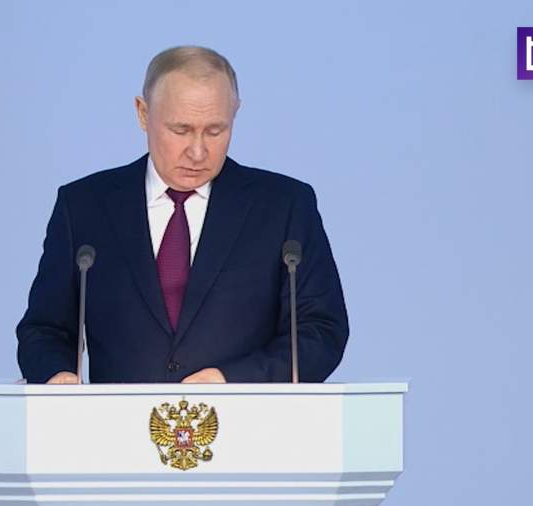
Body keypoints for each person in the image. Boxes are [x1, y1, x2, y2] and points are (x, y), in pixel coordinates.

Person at [17, 46, 348, 384]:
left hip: (247, 416)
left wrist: (232, 380)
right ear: (143, 113)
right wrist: (57, 377)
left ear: (235, 113)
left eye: (215, 131)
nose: (198, 151)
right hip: (118, 418)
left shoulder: (284, 205)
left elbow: (321, 330)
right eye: (181, 130)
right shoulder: (84, 206)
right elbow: (44, 330)